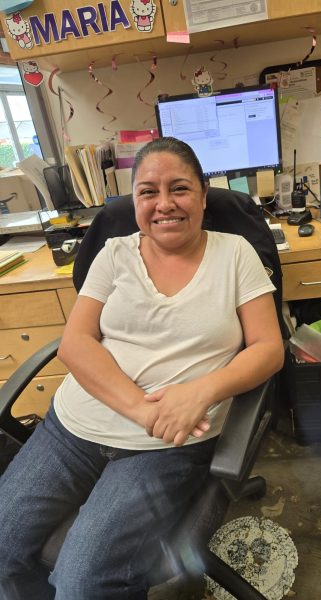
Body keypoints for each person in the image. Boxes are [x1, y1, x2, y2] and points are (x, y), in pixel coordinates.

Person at [0, 136, 284, 599]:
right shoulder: (114, 254)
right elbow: (75, 342)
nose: (164, 204)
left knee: (83, 582)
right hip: (72, 429)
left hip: (167, 446)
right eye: (148, 191)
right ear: (134, 201)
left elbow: (269, 348)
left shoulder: (235, 254)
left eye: (180, 189)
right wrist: (141, 409)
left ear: (202, 195)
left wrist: (202, 391)